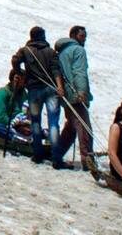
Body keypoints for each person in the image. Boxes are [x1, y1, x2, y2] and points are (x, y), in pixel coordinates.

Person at [10, 27, 63, 163]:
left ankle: (37, 153)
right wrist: (60, 87)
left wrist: (19, 72)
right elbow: (56, 70)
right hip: (51, 89)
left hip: (34, 90)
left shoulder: (25, 51)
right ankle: (57, 157)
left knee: (35, 122)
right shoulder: (51, 52)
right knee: (53, 123)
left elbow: (15, 60)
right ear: (43, 36)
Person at [49, 26, 90, 168]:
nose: (84, 39)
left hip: (65, 95)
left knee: (71, 127)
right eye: (81, 36)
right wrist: (82, 91)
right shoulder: (78, 50)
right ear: (73, 35)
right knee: (84, 127)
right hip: (76, 94)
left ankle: (56, 154)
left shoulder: (61, 52)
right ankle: (88, 160)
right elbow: (79, 71)